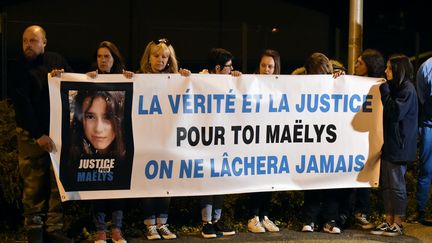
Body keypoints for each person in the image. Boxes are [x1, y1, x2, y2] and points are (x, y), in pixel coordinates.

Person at [12, 25, 74, 242]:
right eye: (25, 41)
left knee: (57, 183)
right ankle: (34, 231)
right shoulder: (20, 67)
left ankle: (53, 228)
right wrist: (38, 134)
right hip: (32, 136)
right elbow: (22, 104)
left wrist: (64, 76)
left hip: (56, 134)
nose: (28, 45)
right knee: (33, 185)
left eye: (33, 41)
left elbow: (73, 84)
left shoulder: (56, 60)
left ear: (44, 42)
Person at [70, 41, 132, 243]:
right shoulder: (89, 78)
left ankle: (117, 229)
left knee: (119, 186)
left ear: (114, 58)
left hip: (121, 154)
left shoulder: (126, 78)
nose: (103, 60)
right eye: (99, 56)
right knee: (96, 188)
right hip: (93, 159)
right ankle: (100, 230)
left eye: (107, 56)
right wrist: (56, 76)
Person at [137, 38, 190, 240]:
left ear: (169, 59)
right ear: (148, 57)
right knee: (149, 184)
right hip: (147, 140)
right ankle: (150, 224)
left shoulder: (175, 79)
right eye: (156, 56)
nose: (160, 60)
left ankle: (163, 223)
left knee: (166, 183)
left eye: (164, 57)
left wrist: (185, 77)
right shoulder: (140, 78)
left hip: (168, 140)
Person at [370, 54, 418, 236]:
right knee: (388, 185)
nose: (386, 71)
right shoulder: (398, 88)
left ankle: (398, 221)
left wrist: (384, 90)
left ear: (399, 69)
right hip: (391, 145)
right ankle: (388, 219)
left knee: (397, 185)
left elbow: (394, 112)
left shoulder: (407, 90)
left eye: (389, 68)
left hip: (400, 146)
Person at [342, 49, 385, 230]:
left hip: (367, 138)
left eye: (360, 62)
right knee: (349, 174)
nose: (356, 64)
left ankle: (361, 212)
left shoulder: (379, 85)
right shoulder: (350, 81)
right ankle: (346, 213)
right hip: (350, 137)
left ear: (370, 65)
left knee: (365, 173)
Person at [198, 47, 238, 239]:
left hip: (224, 139)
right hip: (205, 139)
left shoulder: (229, 81)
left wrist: (238, 78)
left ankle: (216, 219)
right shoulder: (201, 80)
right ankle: (206, 222)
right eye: (228, 67)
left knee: (220, 180)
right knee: (208, 180)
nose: (231, 70)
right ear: (217, 68)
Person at [300, 53, 341, 234]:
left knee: (331, 180)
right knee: (313, 180)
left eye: (323, 74)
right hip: (311, 139)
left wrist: (343, 81)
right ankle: (310, 219)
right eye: (315, 74)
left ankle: (330, 220)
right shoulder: (298, 83)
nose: (320, 78)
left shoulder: (336, 81)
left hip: (331, 139)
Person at [247, 49, 280, 233]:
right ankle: (253, 216)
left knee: (270, 178)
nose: (266, 69)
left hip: (273, 138)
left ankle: (264, 215)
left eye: (270, 66)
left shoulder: (280, 85)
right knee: (257, 178)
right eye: (263, 65)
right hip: (254, 138)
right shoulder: (250, 83)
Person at [408, 57, 432, 224]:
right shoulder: (426, 67)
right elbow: (422, 98)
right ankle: (421, 211)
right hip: (429, 124)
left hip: (428, 123)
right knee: (426, 169)